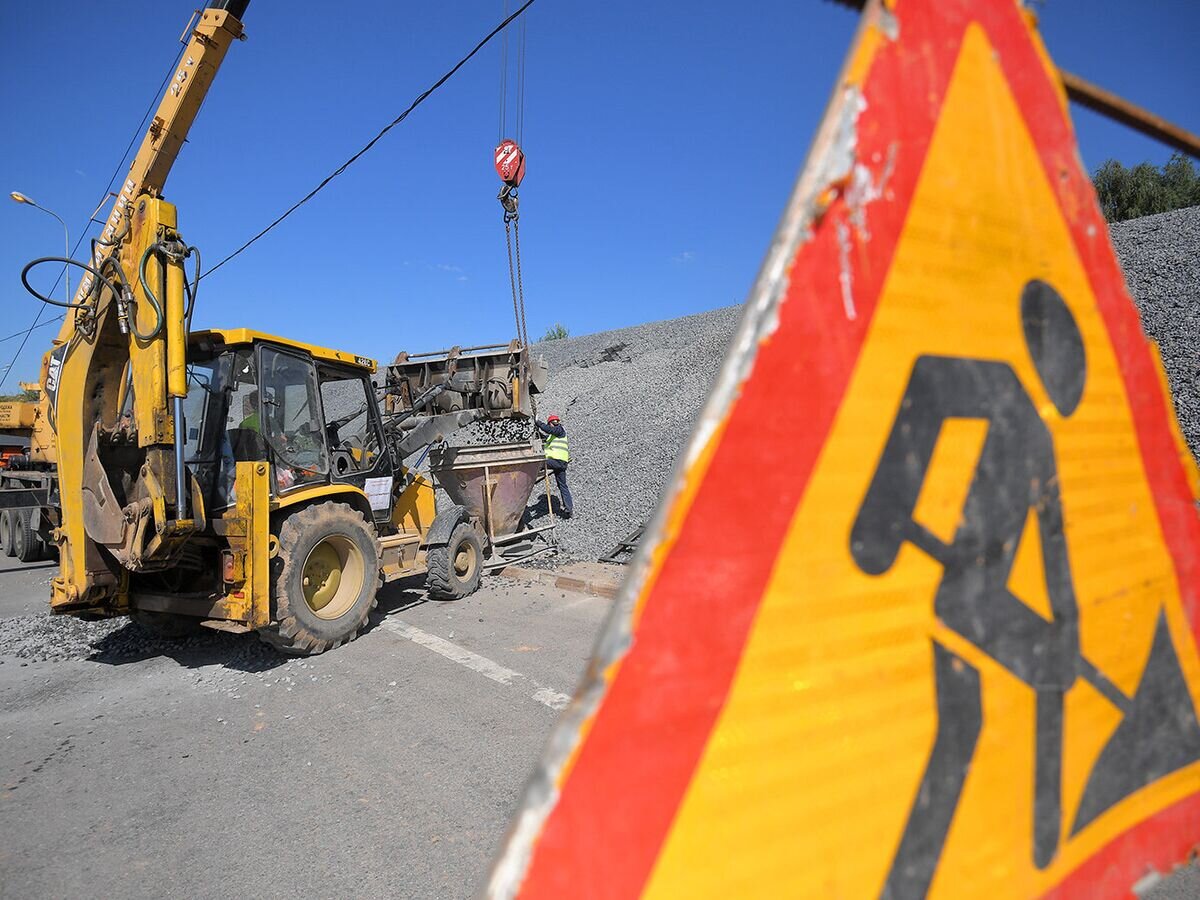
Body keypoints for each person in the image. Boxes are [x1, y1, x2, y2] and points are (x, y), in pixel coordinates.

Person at [536, 414, 573, 518]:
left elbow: (549, 430)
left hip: (557, 461)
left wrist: (538, 422)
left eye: (555, 423)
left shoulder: (559, 430)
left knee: (539, 463)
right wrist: (537, 432)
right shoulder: (553, 436)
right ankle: (569, 509)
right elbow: (545, 437)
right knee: (563, 486)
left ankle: (531, 476)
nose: (554, 424)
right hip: (561, 464)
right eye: (553, 423)